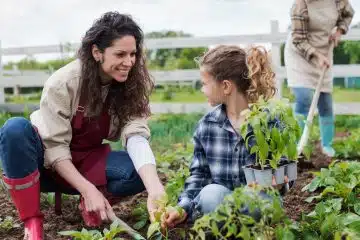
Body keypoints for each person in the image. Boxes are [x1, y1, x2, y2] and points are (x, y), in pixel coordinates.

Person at [0, 12, 165, 239]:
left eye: (133, 54)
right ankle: (32, 222)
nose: (129, 62)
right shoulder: (64, 83)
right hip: (45, 162)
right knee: (14, 129)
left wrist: (154, 187)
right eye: (120, 54)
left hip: (85, 158)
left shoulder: (132, 85)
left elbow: (136, 133)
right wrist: (87, 189)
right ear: (97, 52)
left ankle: (93, 204)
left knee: (139, 172)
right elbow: (55, 148)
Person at [163, 45, 290, 228]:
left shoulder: (269, 121)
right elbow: (199, 174)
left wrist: (278, 180)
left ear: (225, 86)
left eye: (205, 84)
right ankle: (228, 229)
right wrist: (183, 207)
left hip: (258, 202)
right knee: (210, 195)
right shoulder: (207, 125)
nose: (202, 89)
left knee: (256, 199)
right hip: (219, 203)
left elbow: (285, 167)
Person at [284, 0, 355, 157]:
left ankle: (327, 146)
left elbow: (348, 13)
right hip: (300, 55)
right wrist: (316, 56)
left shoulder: (337, 1)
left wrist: (339, 31)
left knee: (325, 102)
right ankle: (299, 146)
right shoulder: (300, 6)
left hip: (325, 49)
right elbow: (299, 40)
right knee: (303, 98)